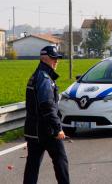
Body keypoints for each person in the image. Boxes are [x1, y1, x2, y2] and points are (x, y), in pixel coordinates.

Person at [23, 46, 70, 184]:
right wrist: (57, 128)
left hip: (33, 131)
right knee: (61, 161)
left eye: (57, 59)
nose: (57, 62)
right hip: (47, 130)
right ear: (44, 59)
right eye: (54, 58)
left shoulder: (35, 76)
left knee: (32, 166)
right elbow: (47, 107)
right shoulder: (44, 78)